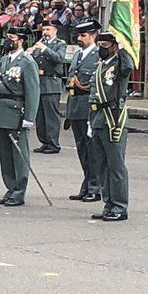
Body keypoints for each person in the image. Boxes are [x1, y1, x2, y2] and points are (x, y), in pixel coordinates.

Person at [0, 25, 40, 206]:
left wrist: (29, 118)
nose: (9, 41)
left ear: (21, 41)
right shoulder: (4, 60)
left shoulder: (27, 62)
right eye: (8, 37)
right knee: (5, 153)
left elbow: (33, 91)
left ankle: (19, 190)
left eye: (13, 37)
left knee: (19, 154)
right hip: (1, 109)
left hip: (17, 111)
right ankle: (10, 187)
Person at [89, 31, 131, 221]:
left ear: (114, 46)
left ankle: (120, 206)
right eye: (100, 45)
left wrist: (123, 48)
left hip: (113, 117)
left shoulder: (119, 63)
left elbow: (128, 66)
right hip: (98, 117)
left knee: (116, 166)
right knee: (102, 165)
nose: (101, 49)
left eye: (106, 46)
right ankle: (109, 203)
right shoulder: (101, 66)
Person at [65, 19, 103, 202]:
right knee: (82, 149)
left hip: (88, 106)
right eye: (78, 35)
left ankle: (96, 187)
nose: (80, 38)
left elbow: (97, 82)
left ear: (93, 36)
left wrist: (82, 86)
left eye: (84, 35)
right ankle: (87, 183)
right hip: (75, 106)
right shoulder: (78, 54)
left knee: (92, 149)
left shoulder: (97, 55)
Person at [30, 17, 67, 154]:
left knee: (51, 115)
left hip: (51, 83)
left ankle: (53, 143)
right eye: (44, 29)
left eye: (48, 29)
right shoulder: (39, 43)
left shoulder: (59, 44)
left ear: (55, 30)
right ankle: (44, 142)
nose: (45, 32)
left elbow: (59, 58)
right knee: (40, 116)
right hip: (39, 83)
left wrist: (44, 49)